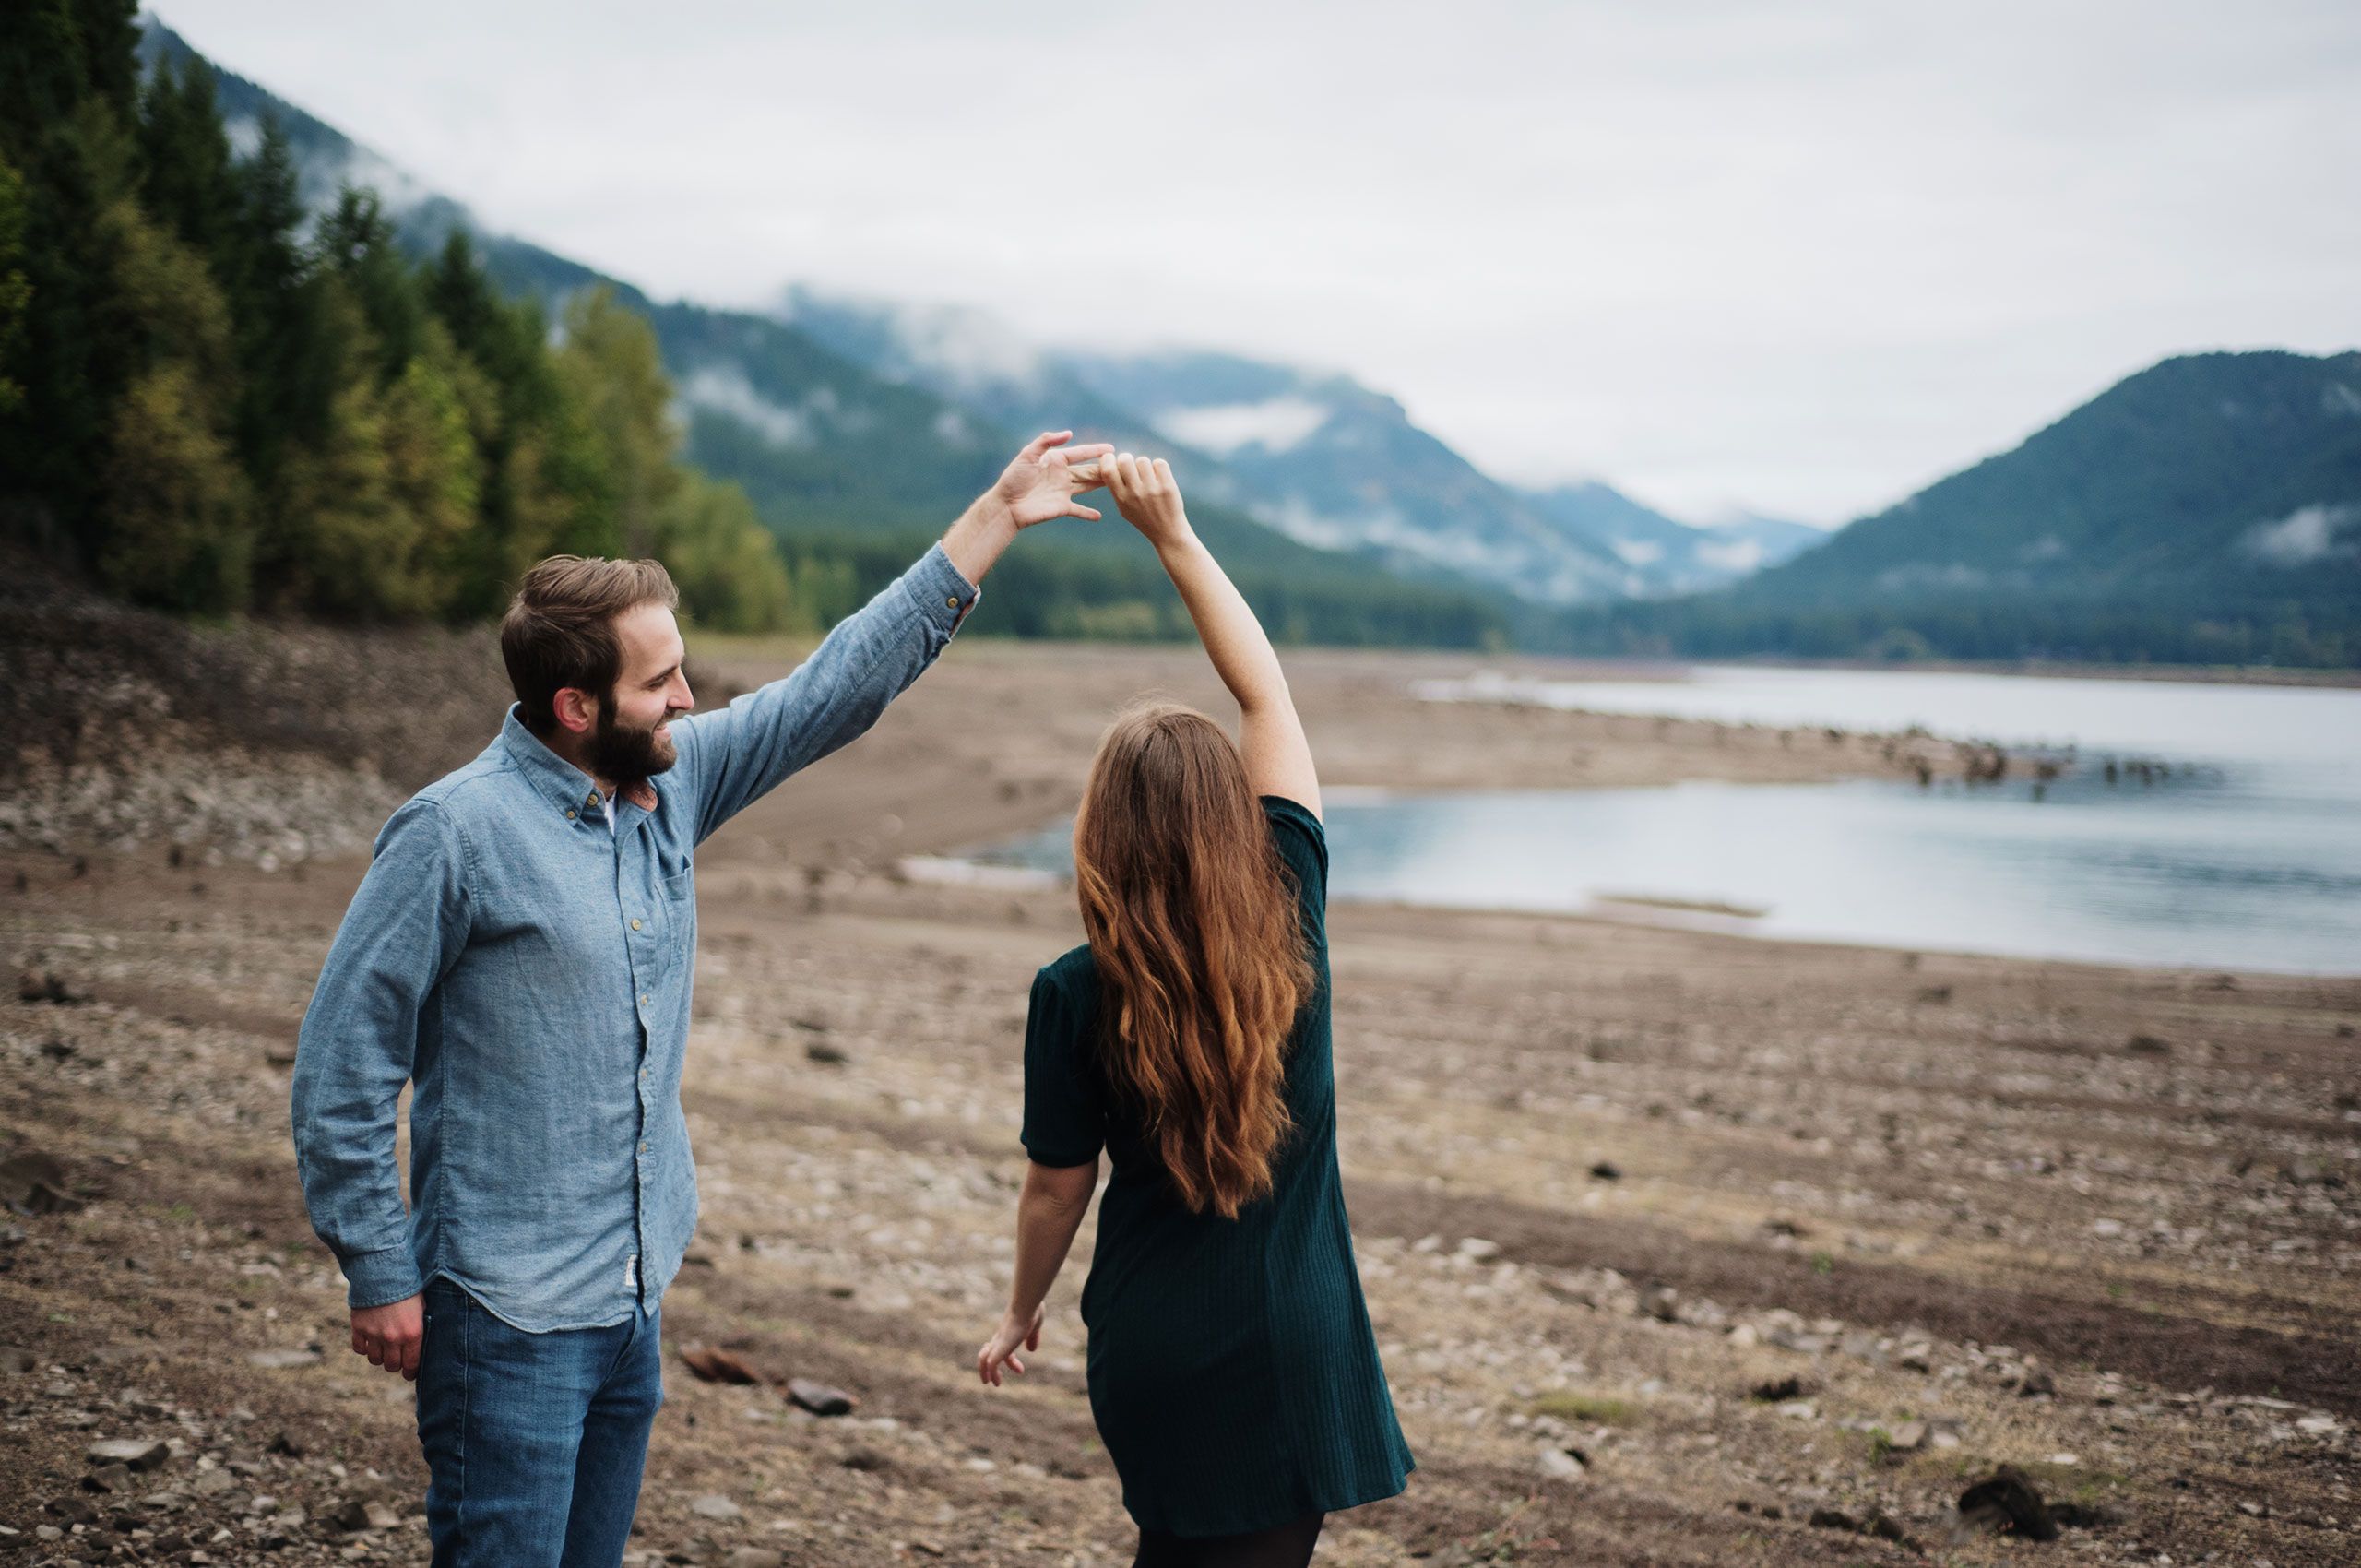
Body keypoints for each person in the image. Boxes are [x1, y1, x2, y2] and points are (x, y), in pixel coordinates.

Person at [290, 432, 1112, 1568]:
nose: (688, 695)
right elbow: (344, 1061)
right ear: (575, 706)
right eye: (659, 680)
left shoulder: (666, 787)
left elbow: (835, 687)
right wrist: (379, 1271)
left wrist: (996, 515)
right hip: (504, 1318)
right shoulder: (454, 832)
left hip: (632, 1300)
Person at [976, 453, 1417, 1568]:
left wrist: (1021, 1309)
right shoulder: (1291, 918)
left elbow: (1053, 1188)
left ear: (1102, 836)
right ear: (1232, 817)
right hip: (1292, 1342)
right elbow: (1264, 693)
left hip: (1153, 1345)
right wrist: (1172, 534)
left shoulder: (1072, 989)